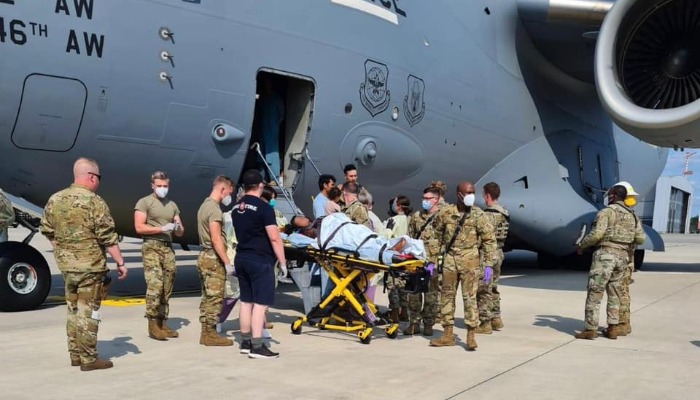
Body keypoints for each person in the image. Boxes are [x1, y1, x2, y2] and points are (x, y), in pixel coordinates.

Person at [40, 157, 127, 371]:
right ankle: (89, 358)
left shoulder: (55, 199)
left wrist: (62, 249)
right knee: (88, 311)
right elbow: (107, 236)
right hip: (90, 267)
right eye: (98, 177)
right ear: (91, 177)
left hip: (67, 267)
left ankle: (75, 354)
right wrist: (120, 262)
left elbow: (47, 229)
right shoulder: (94, 202)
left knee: (72, 310)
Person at [429, 181, 496, 351]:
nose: (471, 196)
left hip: (471, 262)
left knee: (470, 298)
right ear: (458, 194)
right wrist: (432, 260)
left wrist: (489, 264)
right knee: (447, 297)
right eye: (467, 193)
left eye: (473, 192)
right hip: (450, 260)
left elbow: (489, 240)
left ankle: (471, 335)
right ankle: (448, 334)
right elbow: (435, 236)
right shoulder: (447, 213)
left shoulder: (478, 215)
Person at [574, 184, 645, 340]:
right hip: (623, 257)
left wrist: (582, 245)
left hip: (606, 255)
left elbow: (596, 234)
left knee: (595, 291)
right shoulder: (632, 216)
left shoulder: (606, 212)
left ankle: (590, 329)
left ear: (613, 195)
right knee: (615, 293)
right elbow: (641, 238)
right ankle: (613, 328)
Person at [232, 170, 287, 359]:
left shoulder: (236, 207)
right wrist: (283, 262)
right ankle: (257, 346)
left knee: (246, 301)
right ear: (261, 186)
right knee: (260, 304)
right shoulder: (264, 209)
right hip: (260, 259)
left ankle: (245, 342)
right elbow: (274, 238)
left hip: (242, 257)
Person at [134, 171, 185, 340]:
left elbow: (180, 231)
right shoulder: (144, 202)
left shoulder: (172, 205)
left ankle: (163, 321)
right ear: (152, 186)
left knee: (167, 285)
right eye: (159, 186)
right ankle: (152, 324)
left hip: (167, 247)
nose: (163, 189)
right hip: (152, 246)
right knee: (155, 284)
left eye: (165, 186)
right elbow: (139, 227)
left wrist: (177, 228)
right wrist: (160, 229)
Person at [196, 175, 235, 346]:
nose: (229, 197)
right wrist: (227, 262)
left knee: (207, 297)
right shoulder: (214, 210)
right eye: (229, 193)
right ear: (222, 189)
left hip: (205, 255)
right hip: (213, 257)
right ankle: (210, 334)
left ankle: (206, 332)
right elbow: (216, 238)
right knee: (214, 298)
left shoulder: (204, 206)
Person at [404, 184, 444, 336]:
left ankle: (428, 324)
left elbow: (446, 241)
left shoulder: (442, 217)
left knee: (431, 295)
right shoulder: (416, 217)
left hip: (433, 263)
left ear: (437, 199)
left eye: (429, 198)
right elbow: (410, 237)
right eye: (424, 198)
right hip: (417, 261)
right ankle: (414, 323)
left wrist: (437, 262)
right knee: (413, 294)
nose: (426, 201)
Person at [475, 182, 510, 334]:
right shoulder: (504, 213)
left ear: (487, 195)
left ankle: (485, 323)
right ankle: (496, 318)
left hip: (487, 256)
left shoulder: (487, 215)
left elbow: (482, 237)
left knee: (483, 288)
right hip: (499, 253)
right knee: (493, 286)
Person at [614, 181, 640, 336]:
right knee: (622, 292)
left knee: (620, 292)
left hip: (619, 260)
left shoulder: (614, 214)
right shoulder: (634, 217)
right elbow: (640, 238)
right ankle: (622, 324)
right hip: (627, 259)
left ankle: (622, 325)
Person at [258, 76, 285, 184]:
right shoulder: (263, 98)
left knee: (272, 152)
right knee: (262, 151)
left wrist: (276, 125)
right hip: (263, 127)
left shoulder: (276, 99)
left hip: (272, 128)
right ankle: (263, 176)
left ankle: (274, 177)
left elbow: (281, 115)